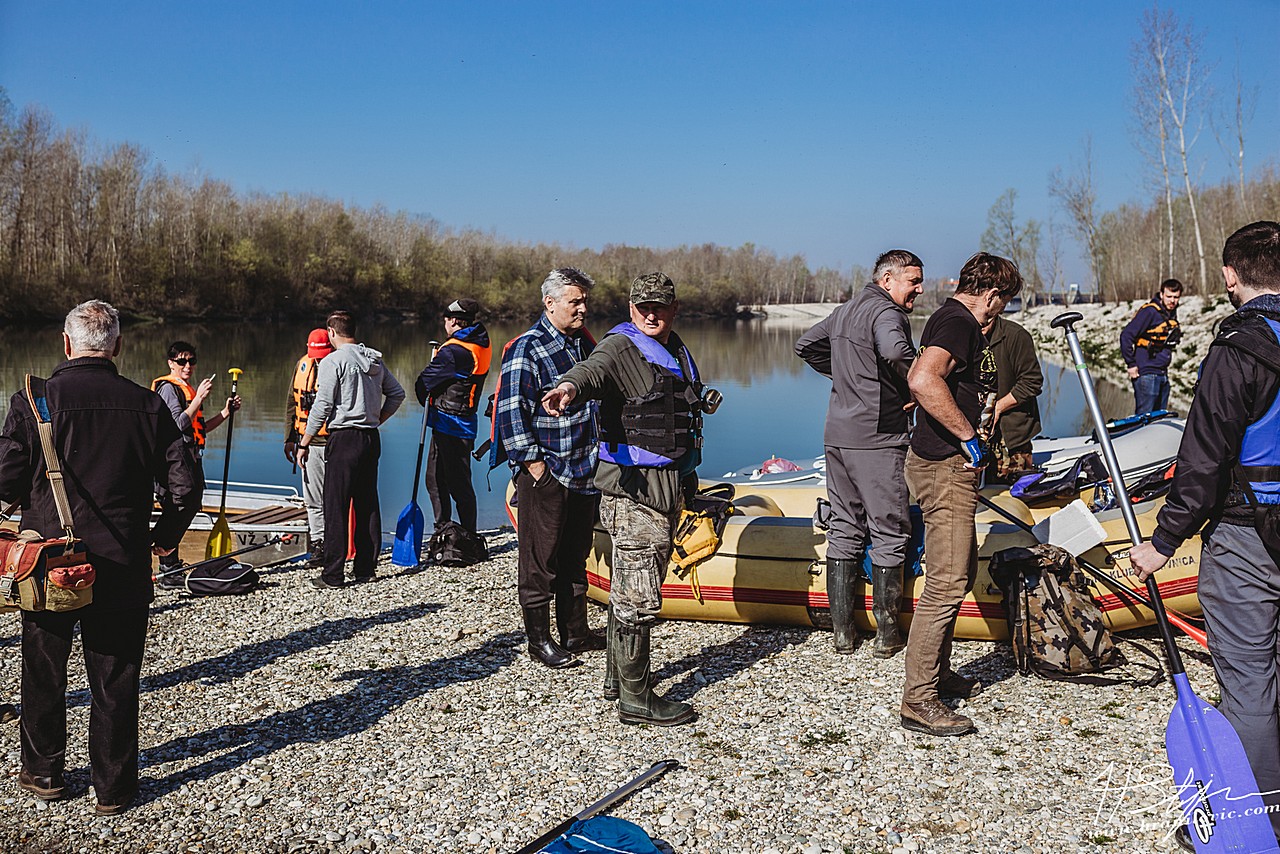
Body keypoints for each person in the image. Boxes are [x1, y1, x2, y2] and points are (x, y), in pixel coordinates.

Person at [0, 300, 196, 814]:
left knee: (43, 671)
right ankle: (113, 788)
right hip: (124, 558)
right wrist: (165, 538)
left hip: (48, 562)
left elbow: (4, 482)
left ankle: (44, 774)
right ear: (118, 346)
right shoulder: (148, 403)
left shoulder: (32, 401)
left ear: (66, 345)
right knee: (115, 677)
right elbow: (185, 484)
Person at [1130, 221, 1280, 847]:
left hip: (1251, 536)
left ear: (1229, 275)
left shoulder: (1238, 347)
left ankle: (1258, 820)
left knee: (1249, 683)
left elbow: (1204, 457)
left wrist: (1163, 542)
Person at [543, 272, 713, 727]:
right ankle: (636, 700)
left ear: (674, 308)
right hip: (633, 490)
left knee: (629, 590)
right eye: (643, 307)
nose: (651, 314)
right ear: (631, 308)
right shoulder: (620, 347)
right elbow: (590, 372)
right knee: (638, 597)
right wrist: (567, 389)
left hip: (666, 486)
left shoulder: (674, 349)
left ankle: (616, 679)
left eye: (660, 306)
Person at [902, 252, 1022, 737]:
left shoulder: (947, 319)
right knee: (948, 581)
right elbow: (922, 378)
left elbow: (927, 381)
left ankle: (939, 673)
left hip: (944, 465)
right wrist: (967, 433)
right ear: (991, 295)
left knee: (961, 567)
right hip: (945, 468)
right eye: (1002, 304)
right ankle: (919, 699)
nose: (1001, 314)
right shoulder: (959, 321)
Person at [795, 249, 923, 658]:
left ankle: (843, 633)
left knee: (845, 525)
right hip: (878, 435)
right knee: (889, 528)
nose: (918, 290)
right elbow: (895, 352)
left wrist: (848, 374)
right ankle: (887, 635)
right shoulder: (887, 314)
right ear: (887, 281)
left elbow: (806, 345)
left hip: (838, 433)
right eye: (913, 281)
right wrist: (919, 383)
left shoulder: (846, 310)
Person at [493, 268, 603, 669]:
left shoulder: (583, 346)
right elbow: (510, 412)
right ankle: (538, 642)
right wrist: (535, 466)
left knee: (576, 554)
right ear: (550, 303)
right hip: (548, 471)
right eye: (575, 301)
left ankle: (575, 631)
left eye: (584, 301)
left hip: (585, 470)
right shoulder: (528, 347)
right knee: (539, 561)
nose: (583, 308)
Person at [299, 311, 405, 589]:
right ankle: (365, 569)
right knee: (367, 503)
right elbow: (397, 393)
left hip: (344, 439)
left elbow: (322, 405)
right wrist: (377, 419)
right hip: (370, 439)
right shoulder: (373, 358)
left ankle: (332, 574)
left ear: (332, 333)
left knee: (335, 506)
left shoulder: (333, 361)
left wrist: (305, 441)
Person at [150, 340, 241, 587]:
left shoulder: (186, 389)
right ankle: (167, 567)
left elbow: (199, 428)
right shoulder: (169, 388)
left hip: (189, 457)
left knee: (189, 502)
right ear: (171, 363)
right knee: (178, 503)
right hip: (172, 460)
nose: (187, 365)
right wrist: (198, 398)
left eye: (191, 361)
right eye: (181, 361)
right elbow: (177, 424)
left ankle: (169, 564)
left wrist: (225, 413)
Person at [414, 298, 491, 541]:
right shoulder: (479, 341)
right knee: (437, 479)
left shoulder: (455, 351)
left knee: (453, 483)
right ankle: (447, 529)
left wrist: (427, 393)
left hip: (452, 422)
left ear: (454, 321)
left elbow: (423, 383)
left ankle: (463, 533)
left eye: (446, 320)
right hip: (459, 420)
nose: (444, 323)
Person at [285, 329, 335, 568]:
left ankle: (340, 544)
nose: (318, 358)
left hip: (336, 441)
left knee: (336, 498)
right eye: (315, 353)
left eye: (322, 353)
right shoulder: (301, 365)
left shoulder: (338, 366)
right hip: (309, 444)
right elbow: (290, 404)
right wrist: (289, 439)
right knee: (312, 499)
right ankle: (318, 545)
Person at [981, 313, 1043, 483]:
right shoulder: (964, 334)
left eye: (987, 318)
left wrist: (998, 407)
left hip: (1013, 438)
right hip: (981, 439)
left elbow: (1033, 382)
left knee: (1016, 499)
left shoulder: (1016, 335)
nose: (982, 324)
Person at [1120, 278, 1182, 416]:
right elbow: (1126, 336)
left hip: (1162, 374)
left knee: (1159, 420)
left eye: (1176, 297)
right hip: (1147, 374)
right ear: (1161, 294)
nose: (1172, 301)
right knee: (1144, 420)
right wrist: (1131, 364)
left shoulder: (1170, 313)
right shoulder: (1149, 312)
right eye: (1169, 296)